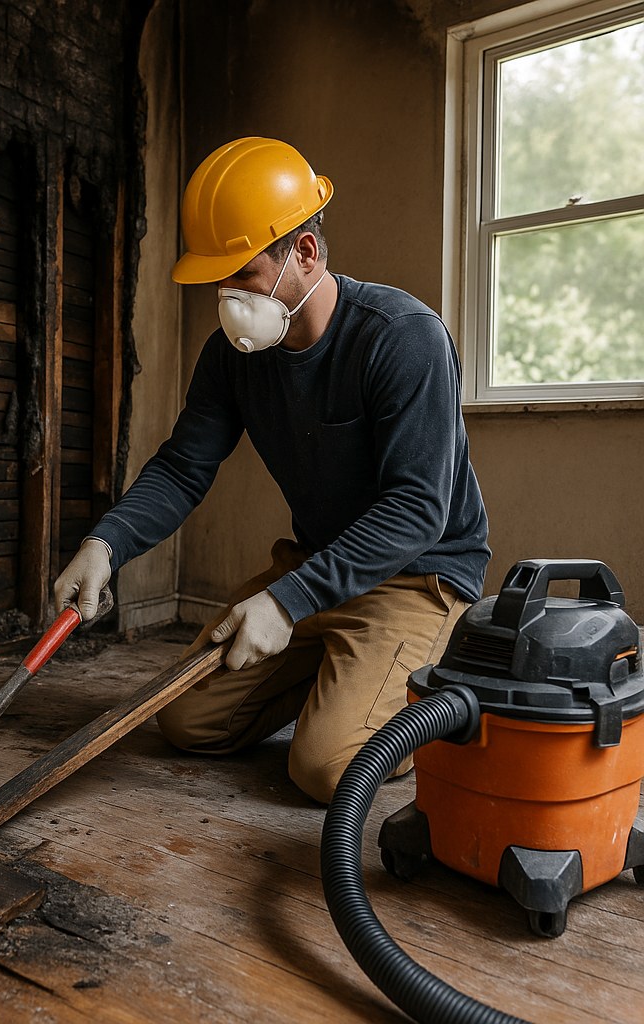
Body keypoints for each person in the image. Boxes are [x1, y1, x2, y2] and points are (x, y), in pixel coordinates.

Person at [53, 137, 490, 803]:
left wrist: (288, 601)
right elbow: (182, 466)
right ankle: (337, 673)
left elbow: (416, 509)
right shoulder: (233, 356)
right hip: (317, 564)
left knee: (327, 769)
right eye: (216, 282)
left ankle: (427, 676)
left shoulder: (402, 336)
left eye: (243, 275)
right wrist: (105, 543)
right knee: (186, 721)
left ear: (304, 254)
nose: (227, 298)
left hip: (415, 576)